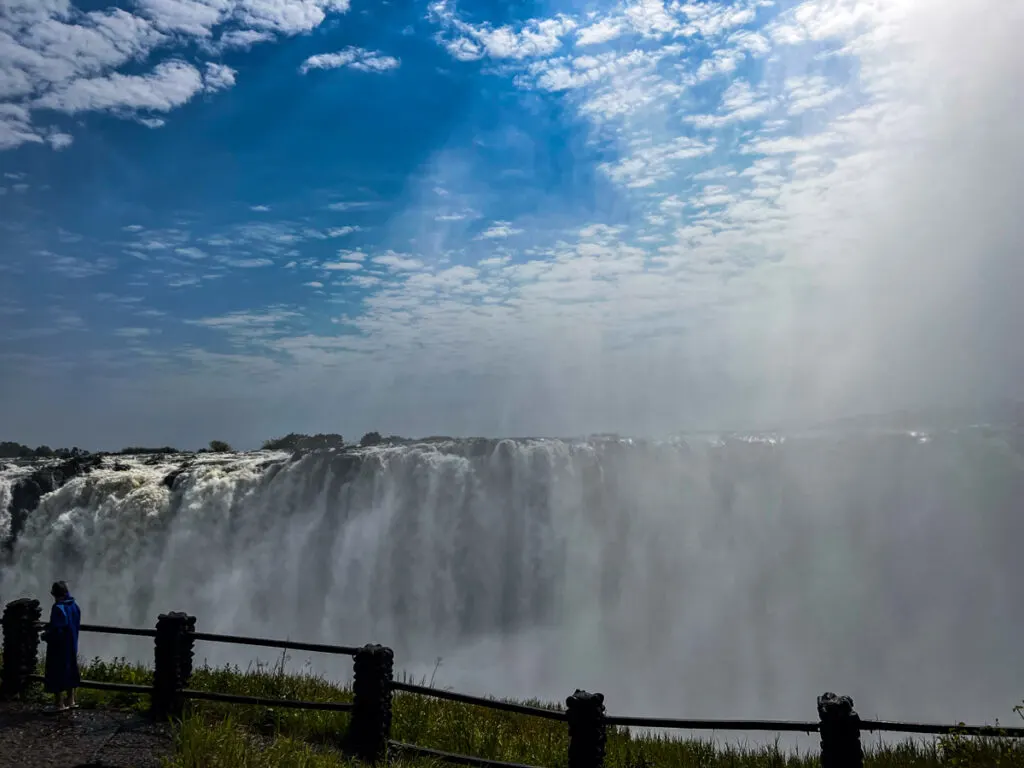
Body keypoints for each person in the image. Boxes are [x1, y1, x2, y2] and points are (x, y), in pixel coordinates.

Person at [42, 580, 81, 712]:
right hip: (72, 644)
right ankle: (71, 699)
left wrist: (45, 635)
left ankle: (59, 703)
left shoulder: (58, 607)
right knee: (71, 669)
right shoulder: (74, 606)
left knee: (55, 671)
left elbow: (57, 630)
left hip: (59, 647)